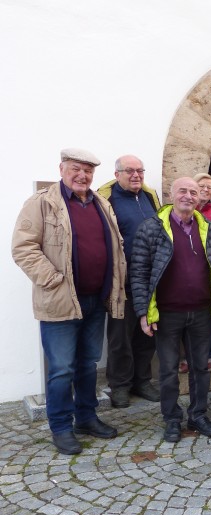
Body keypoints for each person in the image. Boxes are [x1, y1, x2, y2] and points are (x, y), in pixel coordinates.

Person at [12, 148, 125, 455]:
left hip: (93, 300)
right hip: (60, 301)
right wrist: (53, 279)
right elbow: (23, 248)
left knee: (88, 364)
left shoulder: (101, 203)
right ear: (61, 168)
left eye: (88, 171)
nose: (82, 175)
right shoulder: (42, 203)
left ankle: (86, 417)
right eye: (76, 169)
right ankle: (60, 426)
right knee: (62, 368)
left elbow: (114, 247)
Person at [131, 177, 211, 443]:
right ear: (171, 195)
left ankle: (198, 414)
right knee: (167, 370)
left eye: (193, 192)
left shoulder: (210, 229)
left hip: (200, 311)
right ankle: (172, 419)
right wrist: (143, 312)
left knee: (201, 367)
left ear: (199, 198)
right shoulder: (151, 229)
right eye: (183, 191)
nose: (188, 196)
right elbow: (139, 273)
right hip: (167, 313)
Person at [96, 155, 161, 409]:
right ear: (117, 173)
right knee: (120, 335)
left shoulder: (149, 197)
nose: (136, 175)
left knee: (147, 333)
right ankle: (120, 385)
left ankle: (141, 381)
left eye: (140, 171)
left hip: (149, 278)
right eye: (130, 171)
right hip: (121, 280)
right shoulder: (106, 199)